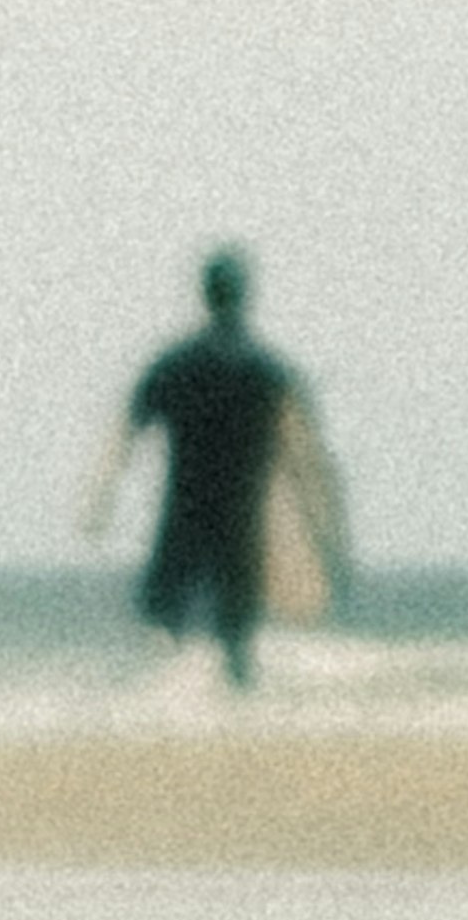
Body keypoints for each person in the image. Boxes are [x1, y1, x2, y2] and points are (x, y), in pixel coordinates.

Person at [86, 250, 346, 687]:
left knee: (164, 619)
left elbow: (125, 434)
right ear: (244, 295)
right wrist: (328, 531)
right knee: (237, 635)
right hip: (240, 521)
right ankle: (236, 716)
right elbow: (309, 459)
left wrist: (100, 498)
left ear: (203, 294)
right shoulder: (268, 370)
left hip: (184, 513)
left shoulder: (174, 365)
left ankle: (164, 704)